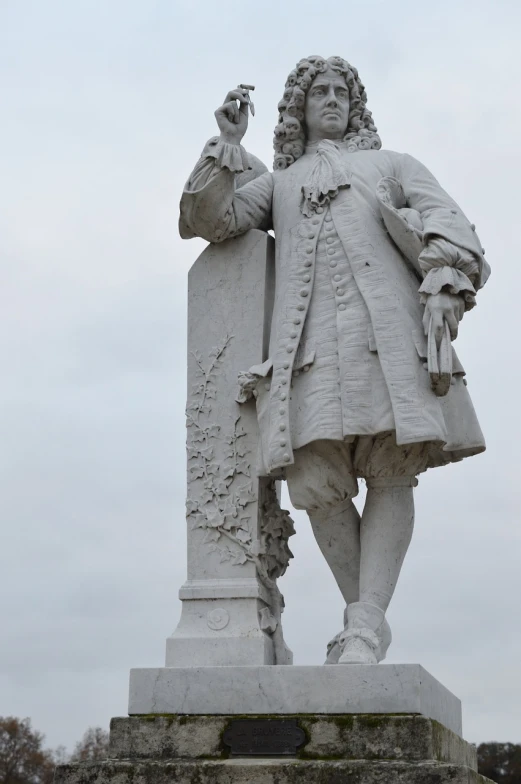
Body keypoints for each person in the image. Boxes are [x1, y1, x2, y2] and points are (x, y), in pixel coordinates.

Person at [179, 55, 490, 665]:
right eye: (318, 90)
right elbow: (211, 219)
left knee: (391, 469)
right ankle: (365, 619)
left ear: (356, 104)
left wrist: (444, 281)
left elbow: (454, 227)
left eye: (341, 90)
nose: (331, 99)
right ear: (298, 107)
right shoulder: (281, 183)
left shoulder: (392, 165)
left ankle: (365, 627)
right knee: (317, 485)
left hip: (387, 341)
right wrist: (226, 144)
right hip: (308, 354)